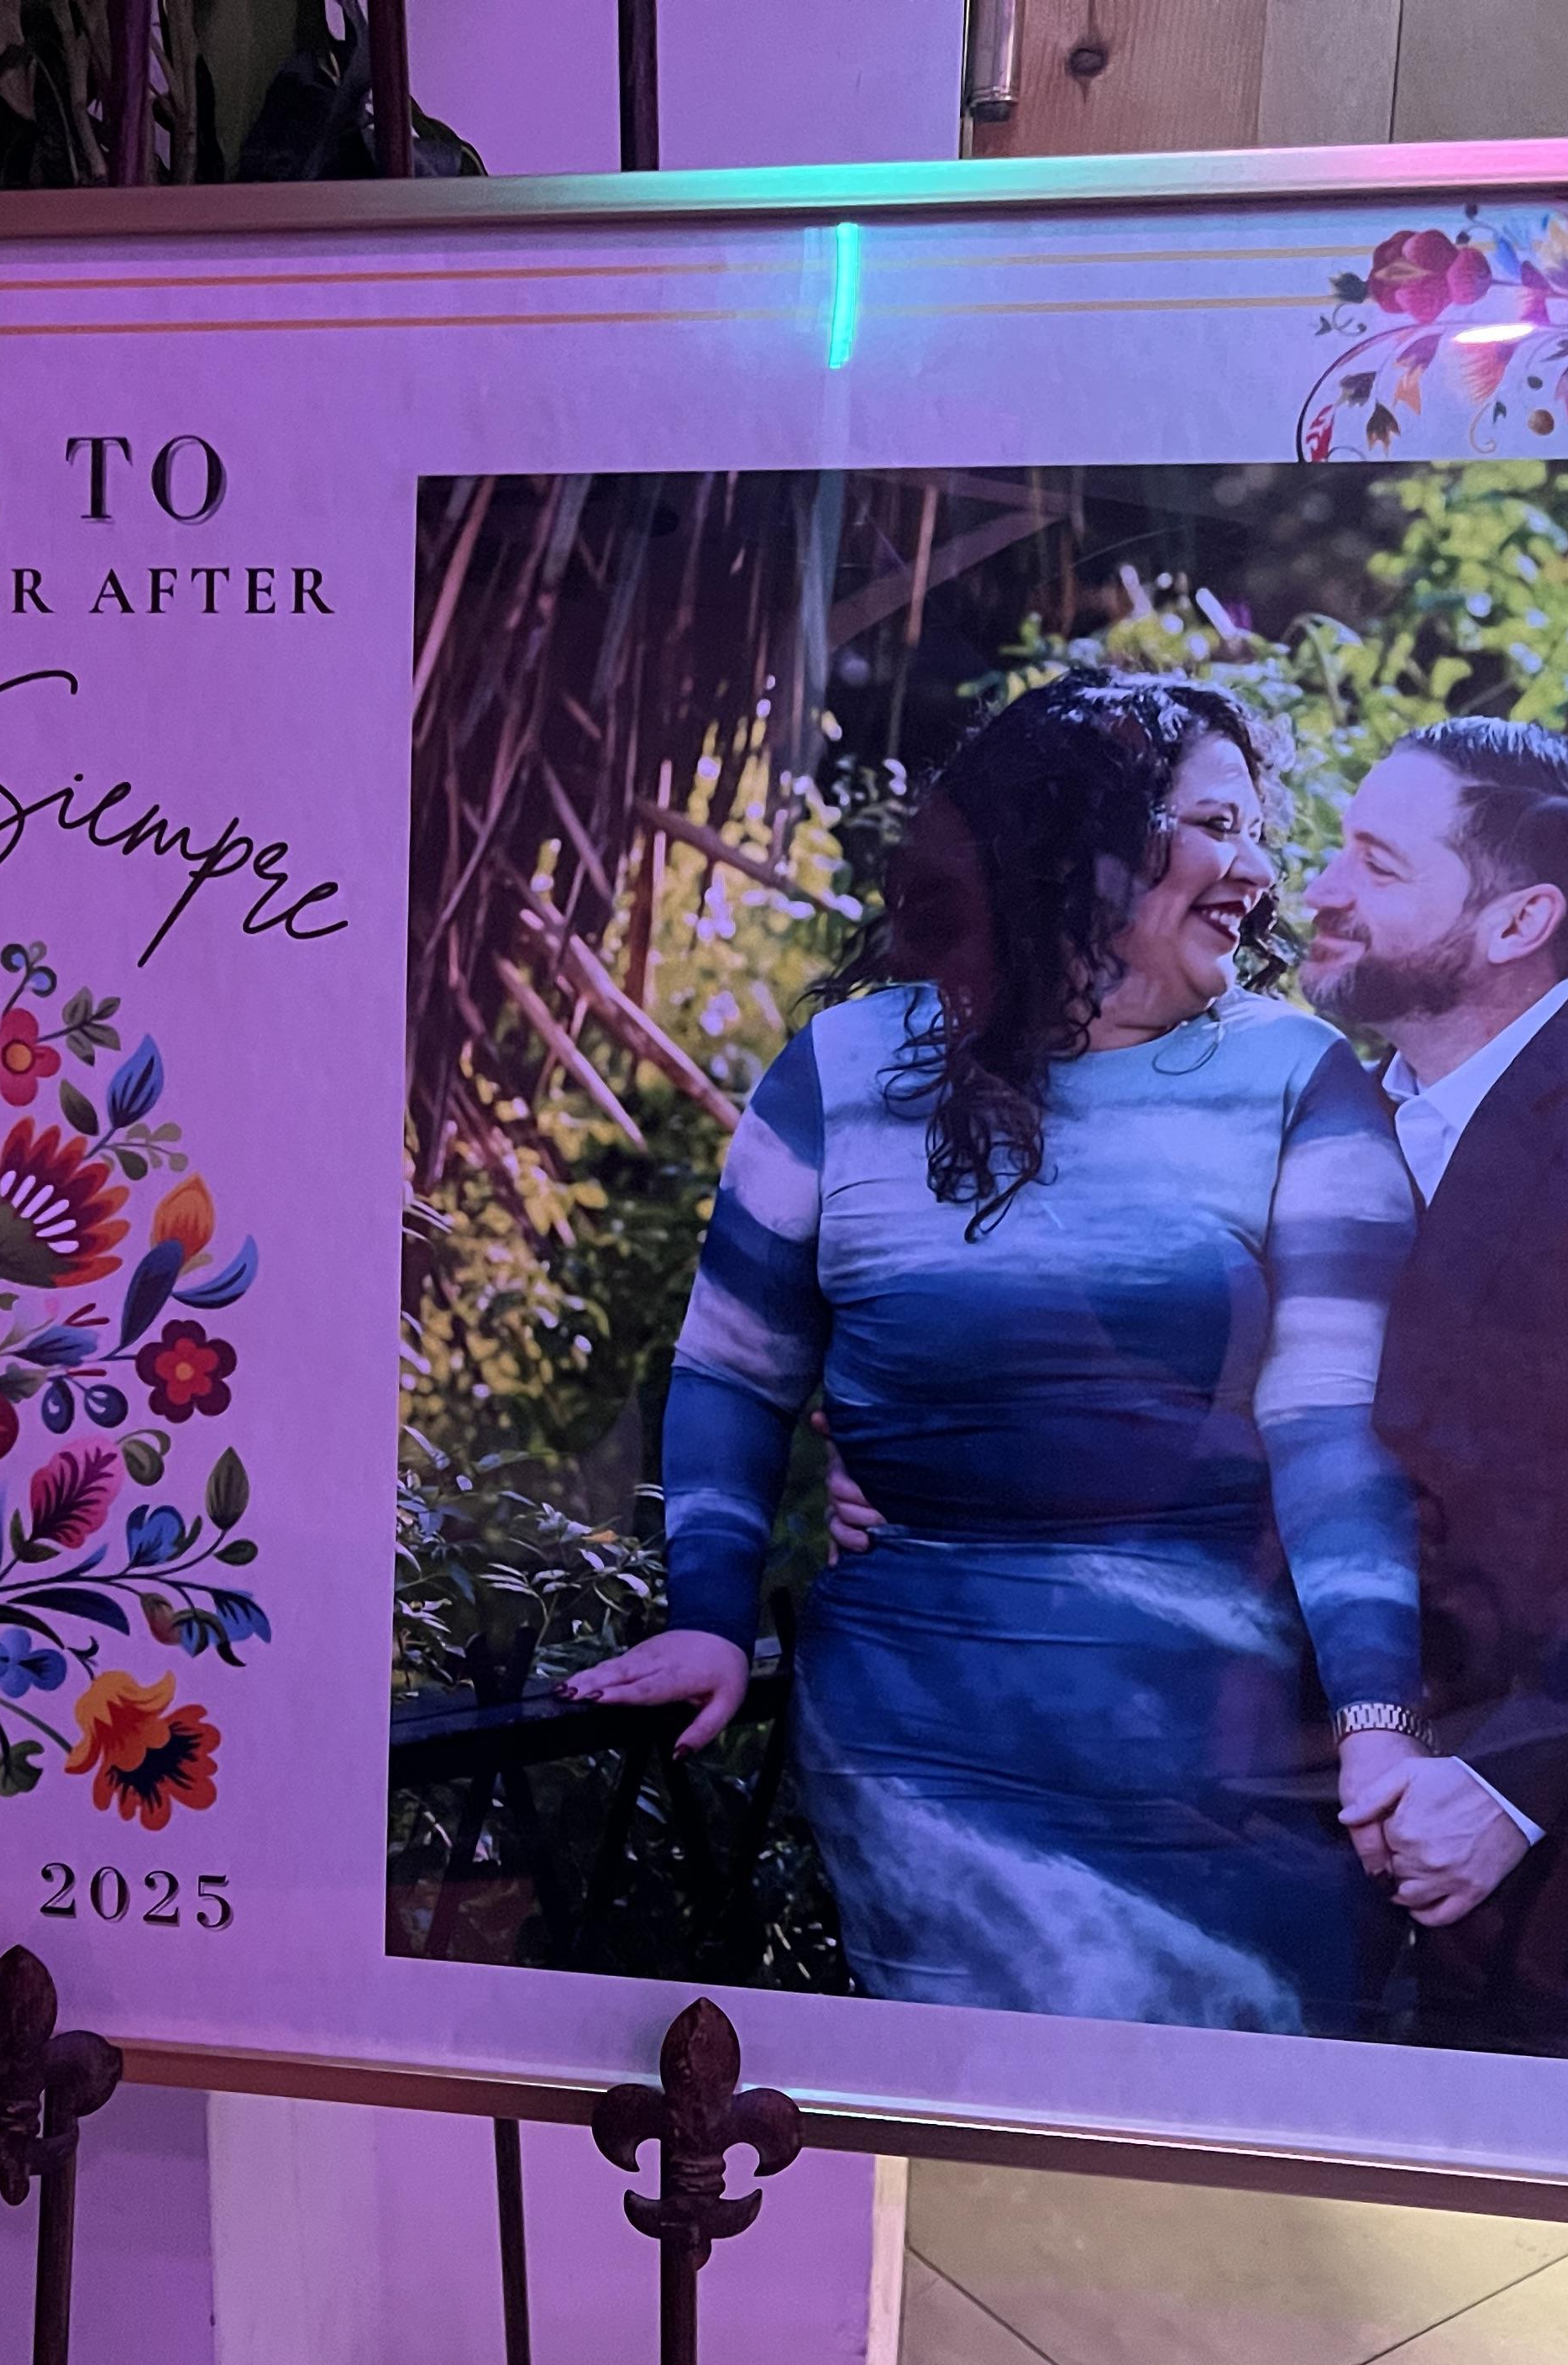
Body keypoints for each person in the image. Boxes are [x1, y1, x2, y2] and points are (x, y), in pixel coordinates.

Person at [832, 718, 1568, 2068]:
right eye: (1335, 848)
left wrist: (1512, 1785)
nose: (1318, 888)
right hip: (1267, 1856)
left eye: (1377, 865)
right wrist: (924, 1462)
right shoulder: (1290, 1107)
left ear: (1520, 919)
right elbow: (1190, 1412)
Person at [565, 674, 1426, 2034]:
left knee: (1218, 2100)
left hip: (1220, 1746)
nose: (1261, 874)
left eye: (1257, 833)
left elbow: (1331, 1426)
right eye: (1217, 826)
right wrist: (709, 1616)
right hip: (920, 1745)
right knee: (975, 2109)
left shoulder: (1300, 1083)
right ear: (1079, 842)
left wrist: (1377, 1718)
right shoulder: (842, 1070)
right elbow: (734, 1370)